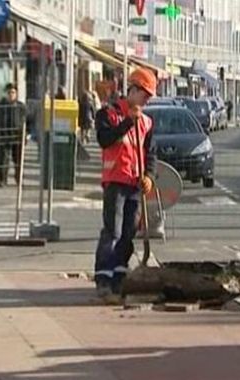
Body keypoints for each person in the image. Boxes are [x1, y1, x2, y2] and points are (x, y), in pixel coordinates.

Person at [93, 68, 158, 301]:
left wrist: (149, 176)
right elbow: (104, 139)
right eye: (145, 95)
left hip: (135, 183)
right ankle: (103, 279)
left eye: (150, 97)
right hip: (115, 181)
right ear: (132, 90)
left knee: (128, 233)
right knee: (113, 231)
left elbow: (150, 153)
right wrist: (128, 122)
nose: (147, 100)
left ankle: (120, 278)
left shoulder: (147, 123)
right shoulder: (109, 114)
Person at [0, 83, 27, 187]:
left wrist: (26, 134)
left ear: (16, 94)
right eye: (9, 92)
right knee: (3, 160)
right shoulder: (0, 107)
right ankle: (2, 180)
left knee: (18, 160)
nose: (11, 95)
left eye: (13, 92)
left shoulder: (21, 107)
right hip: (4, 136)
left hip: (17, 137)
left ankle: (18, 179)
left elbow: (27, 121)